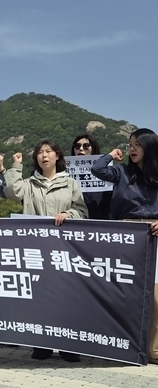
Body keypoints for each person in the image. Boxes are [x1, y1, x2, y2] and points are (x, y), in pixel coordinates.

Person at [5, 139, 88, 362]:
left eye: (48, 151)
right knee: (39, 296)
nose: (44, 155)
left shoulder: (70, 183)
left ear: (57, 156)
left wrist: (68, 214)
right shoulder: (29, 183)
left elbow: (82, 210)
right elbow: (12, 192)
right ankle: (42, 344)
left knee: (66, 297)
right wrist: (16, 166)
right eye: (40, 152)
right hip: (36, 249)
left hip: (64, 248)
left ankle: (68, 345)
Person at [91, 128, 158, 363]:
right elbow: (97, 169)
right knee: (125, 291)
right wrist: (111, 154)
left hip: (154, 233)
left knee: (155, 295)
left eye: (137, 144)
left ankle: (153, 349)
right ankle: (124, 346)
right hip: (127, 234)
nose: (132, 148)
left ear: (149, 147)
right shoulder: (121, 172)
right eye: (130, 144)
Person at [70, 134, 111, 219]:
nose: (81, 149)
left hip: (100, 221)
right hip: (75, 220)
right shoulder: (64, 172)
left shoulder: (105, 172)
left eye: (86, 146)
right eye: (77, 146)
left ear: (94, 149)